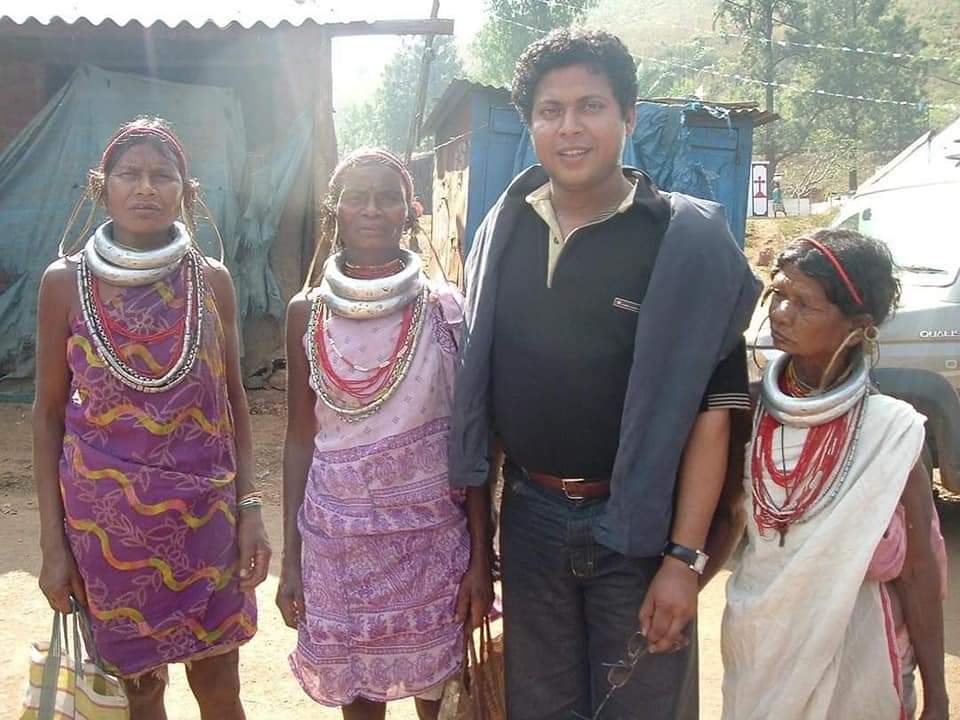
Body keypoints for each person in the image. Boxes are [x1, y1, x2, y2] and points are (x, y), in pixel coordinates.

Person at [448, 30, 761, 720]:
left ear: (629, 115)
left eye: (590, 106)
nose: (570, 127)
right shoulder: (503, 234)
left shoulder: (685, 243)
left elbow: (712, 417)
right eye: (550, 110)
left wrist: (683, 559)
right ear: (530, 124)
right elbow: (482, 397)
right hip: (530, 518)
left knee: (642, 705)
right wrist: (479, 542)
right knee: (539, 708)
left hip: (640, 528)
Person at [32, 117, 270, 720]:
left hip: (206, 517)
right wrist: (54, 546)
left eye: (163, 176)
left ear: (186, 192)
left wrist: (249, 508)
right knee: (139, 691)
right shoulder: (65, 284)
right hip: (110, 530)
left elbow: (234, 401)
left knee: (220, 685)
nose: (145, 188)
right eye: (129, 174)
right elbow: (48, 414)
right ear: (101, 187)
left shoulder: (211, 281)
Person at [276, 148, 493, 720]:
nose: (371, 209)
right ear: (335, 210)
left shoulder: (444, 309)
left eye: (387, 197)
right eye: (356, 197)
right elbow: (299, 438)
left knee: (439, 698)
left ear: (409, 212)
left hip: (431, 541)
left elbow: (470, 440)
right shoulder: (306, 312)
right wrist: (292, 559)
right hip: (337, 544)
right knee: (358, 700)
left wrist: (480, 557)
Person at [720, 229, 948, 720]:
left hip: (861, 655)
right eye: (778, 294)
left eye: (804, 303)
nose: (781, 313)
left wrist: (939, 694)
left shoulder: (890, 431)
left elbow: (918, 569)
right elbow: (726, 519)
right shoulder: (748, 412)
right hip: (760, 642)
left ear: (859, 326)